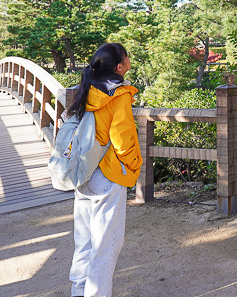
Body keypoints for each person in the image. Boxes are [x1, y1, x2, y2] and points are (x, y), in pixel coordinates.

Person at [66, 42, 141, 297]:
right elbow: (122, 139)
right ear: (120, 67)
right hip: (108, 176)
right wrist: (133, 166)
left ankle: (78, 292)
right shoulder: (119, 94)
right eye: (127, 57)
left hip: (83, 173)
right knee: (105, 248)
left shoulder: (85, 90)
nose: (129, 60)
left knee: (84, 244)